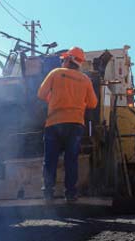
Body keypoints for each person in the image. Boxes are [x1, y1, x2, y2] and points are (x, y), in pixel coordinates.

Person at [36, 46, 98, 202]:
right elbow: (93, 104)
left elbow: (41, 94)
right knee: (71, 160)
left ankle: (48, 193)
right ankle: (70, 194)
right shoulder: (85, 79)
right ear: (79, 63)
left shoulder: (56, 73)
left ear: (68, 59)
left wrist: (54, 99)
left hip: (54, 123)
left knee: (50, 160)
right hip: (75, 124)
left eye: (64, 58)